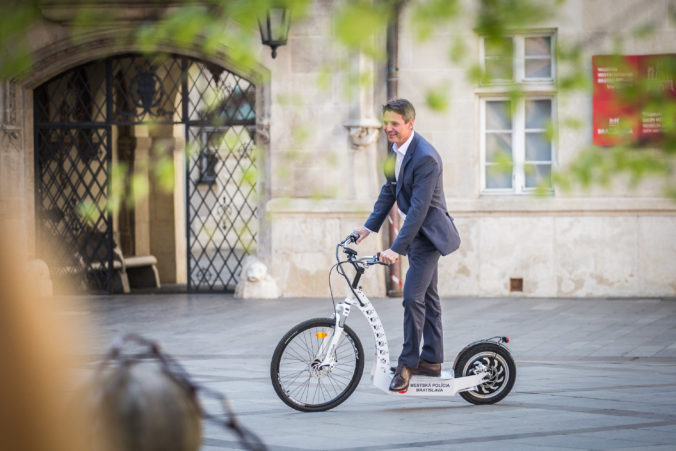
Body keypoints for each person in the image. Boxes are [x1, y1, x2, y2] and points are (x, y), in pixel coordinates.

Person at [353, 98, 460, 391]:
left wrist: (395, 249)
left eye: (394, 124)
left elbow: (418, 210)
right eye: (385, 123)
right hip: (413, 236)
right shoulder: (394, 150)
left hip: (427, 237)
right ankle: (433, 361)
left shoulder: (426, 157)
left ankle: (409, 363)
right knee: (429, 299)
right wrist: (368, 227)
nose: (388, 128)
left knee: (413, 297)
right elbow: (389, 191)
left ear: (410, 124)